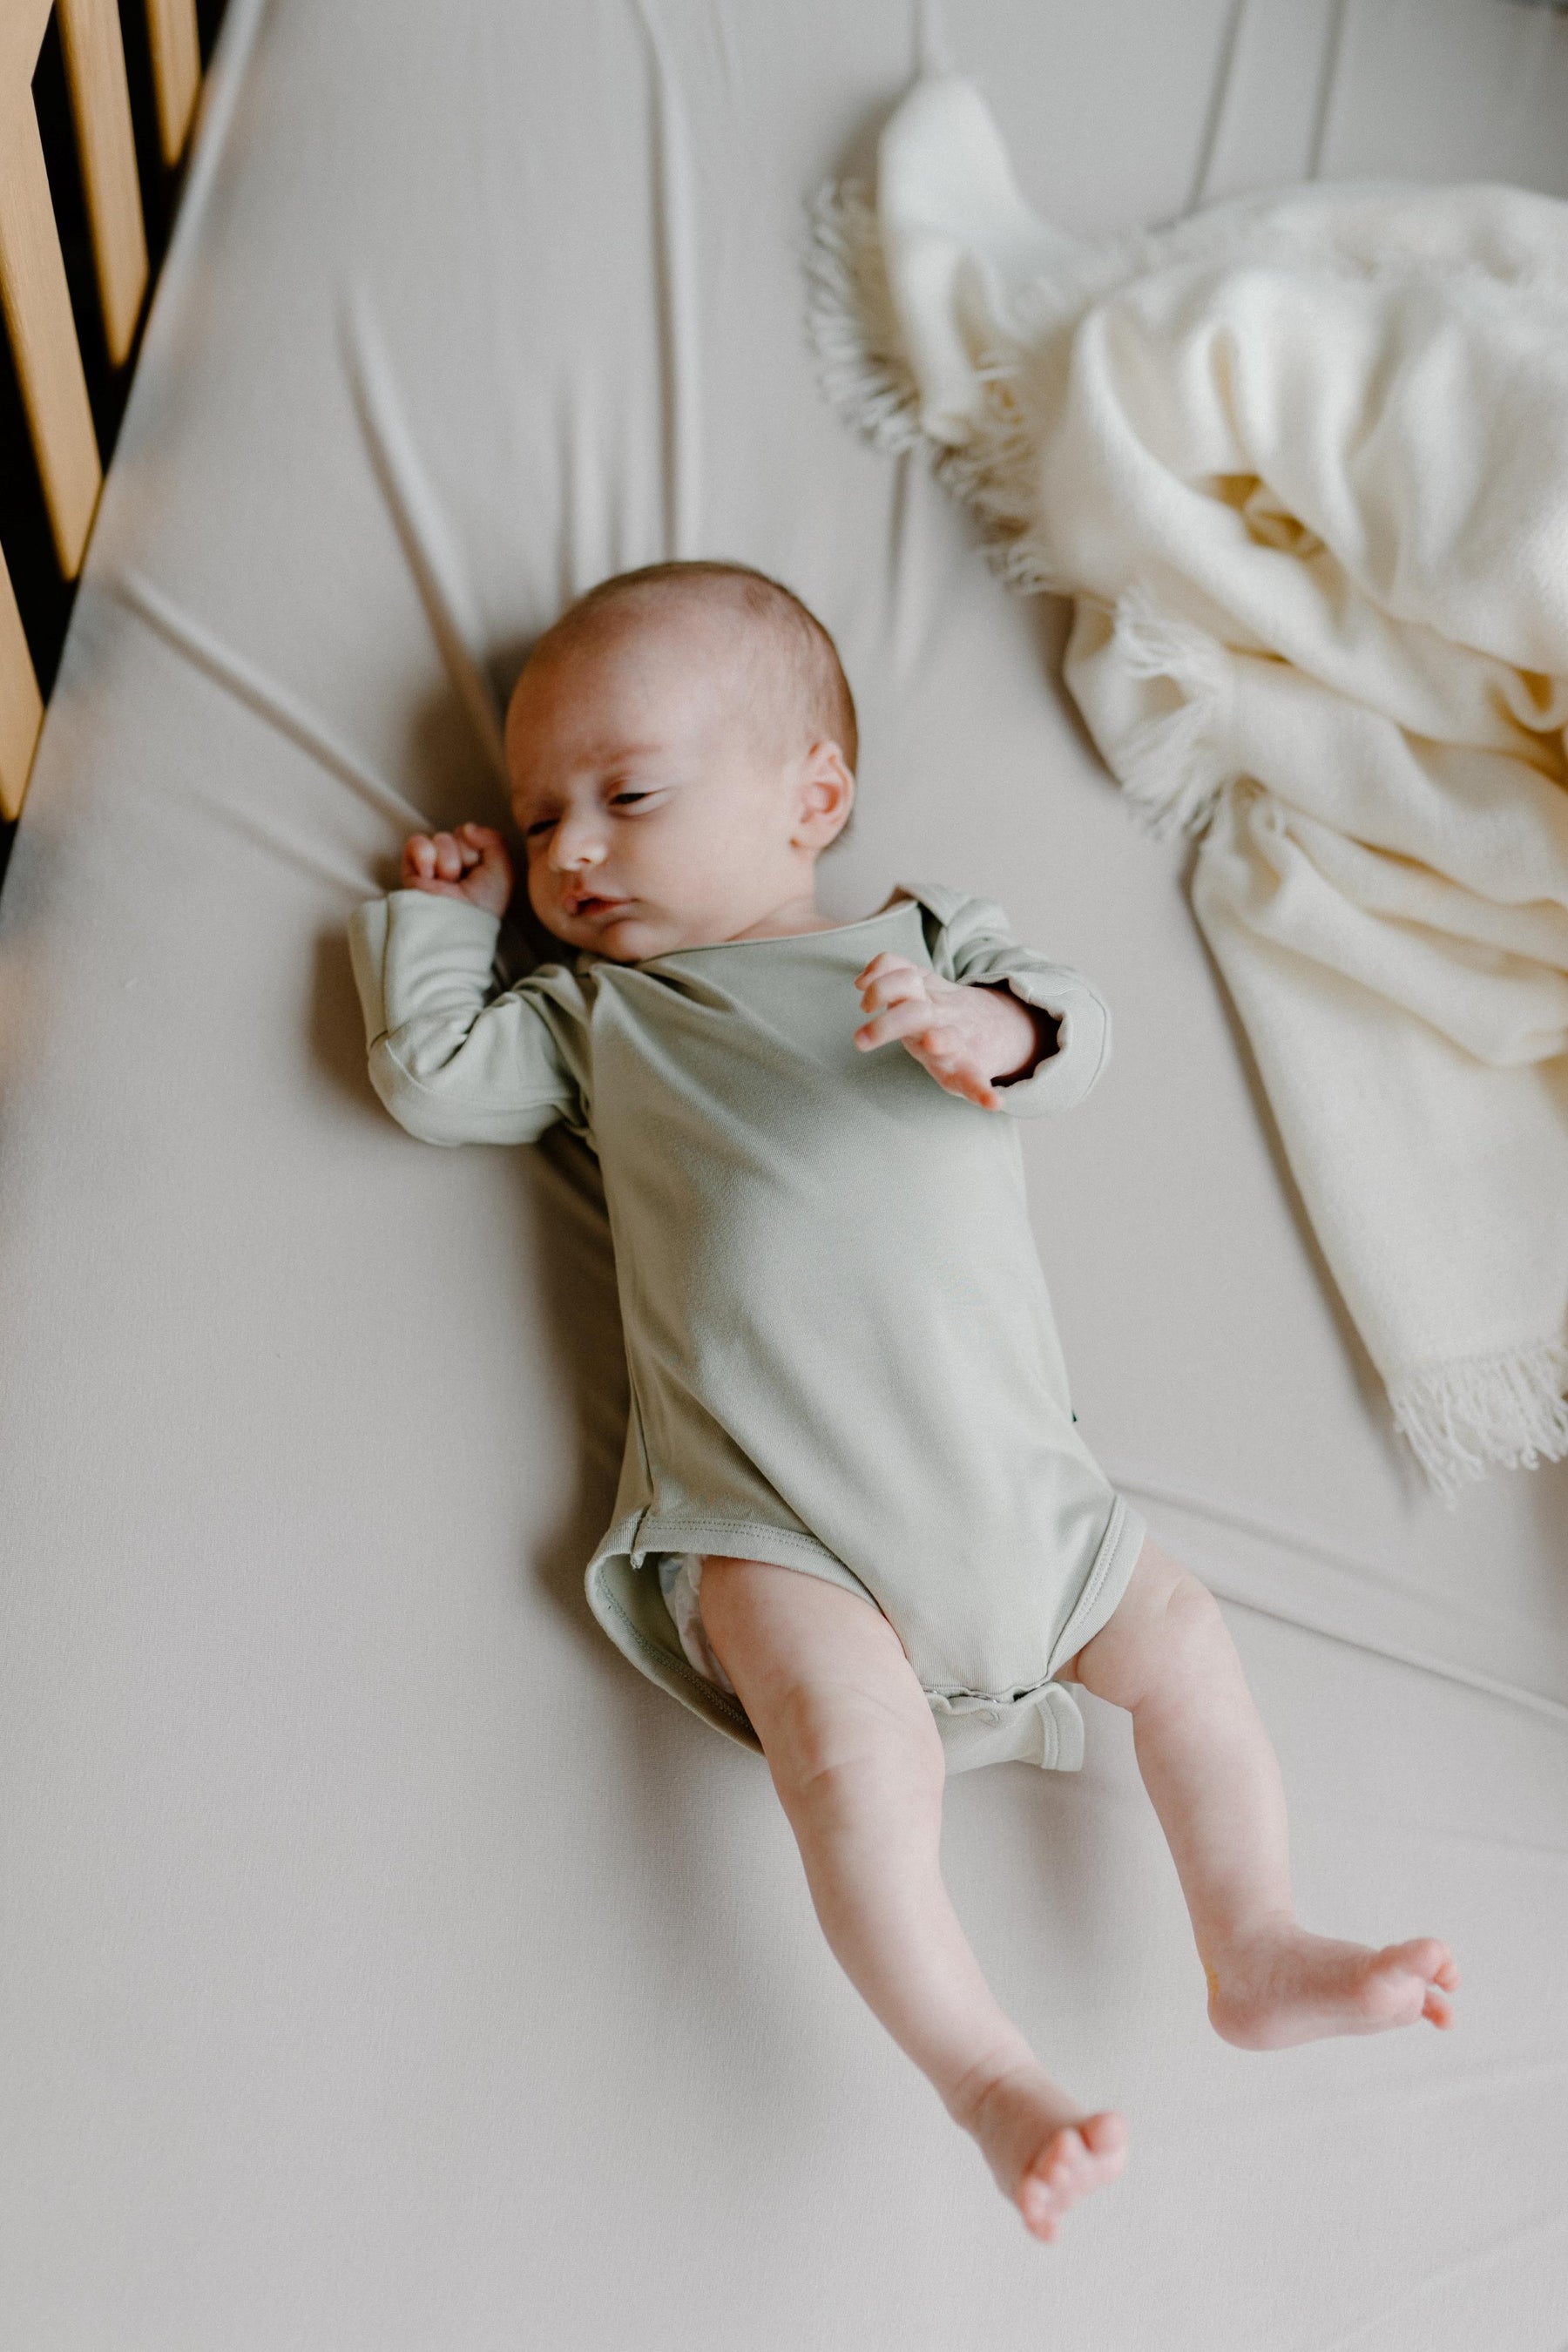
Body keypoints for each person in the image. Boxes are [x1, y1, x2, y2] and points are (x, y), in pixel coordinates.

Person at [347, 558, 1457, 2243]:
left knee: (1184, 1648)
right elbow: (438, 1078)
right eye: (539, 815)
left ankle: (1256, 1939)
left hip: (1020, 1490)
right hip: (774, 1518)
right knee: (852, 1770)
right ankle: (986, 2072)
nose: (570, 851)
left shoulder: (924, 938)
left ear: (814, 799)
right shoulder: (601, 1017)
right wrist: (445, 919)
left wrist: (983, 1028)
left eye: (627, 797)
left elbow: (1078, 1034)